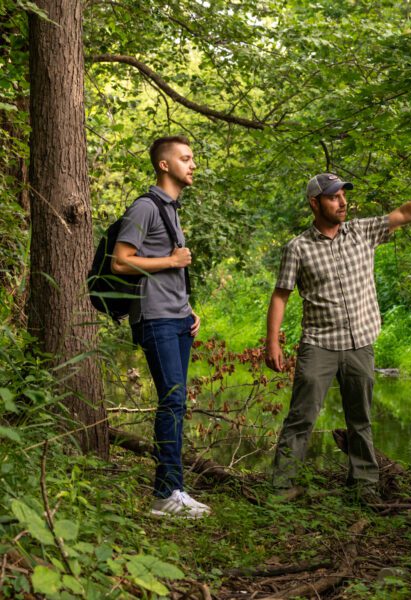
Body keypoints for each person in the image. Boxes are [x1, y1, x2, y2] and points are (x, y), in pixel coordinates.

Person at [265, 174, 411, 500]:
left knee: (360, 419)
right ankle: (281, 487)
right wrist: (273, 342)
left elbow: (405, 213)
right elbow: (280, 295)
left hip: (360, 343)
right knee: (300, 418)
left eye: (343, 196)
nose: (342, 202)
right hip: (318, 343)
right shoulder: (298, 248)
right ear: (315, 203)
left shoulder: (362, 232)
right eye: (334, 197)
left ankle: (363, 487)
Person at [111, 135, 210, 518]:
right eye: (186, 158)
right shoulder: (145, 208)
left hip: (177, 318)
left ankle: (176, 489)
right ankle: (165, 494)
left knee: (177, 402)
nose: (193, 165)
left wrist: (189, 310)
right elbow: (122, 261)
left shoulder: (171, 209)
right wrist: (171, 261)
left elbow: (169, 267)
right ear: (165, 165)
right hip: (155, 319)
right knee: (172, 401)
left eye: (193, 158)